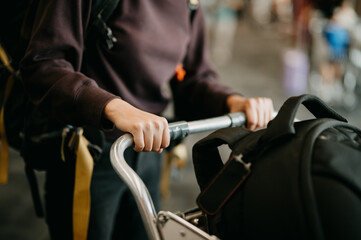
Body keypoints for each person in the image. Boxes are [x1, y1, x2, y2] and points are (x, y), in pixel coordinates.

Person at [19, 0, 274, 239]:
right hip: (90, 154)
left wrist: (232, 101)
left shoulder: (188, 3)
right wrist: (113, 107)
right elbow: (44, 64)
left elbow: (194, 78)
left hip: (149, 149)